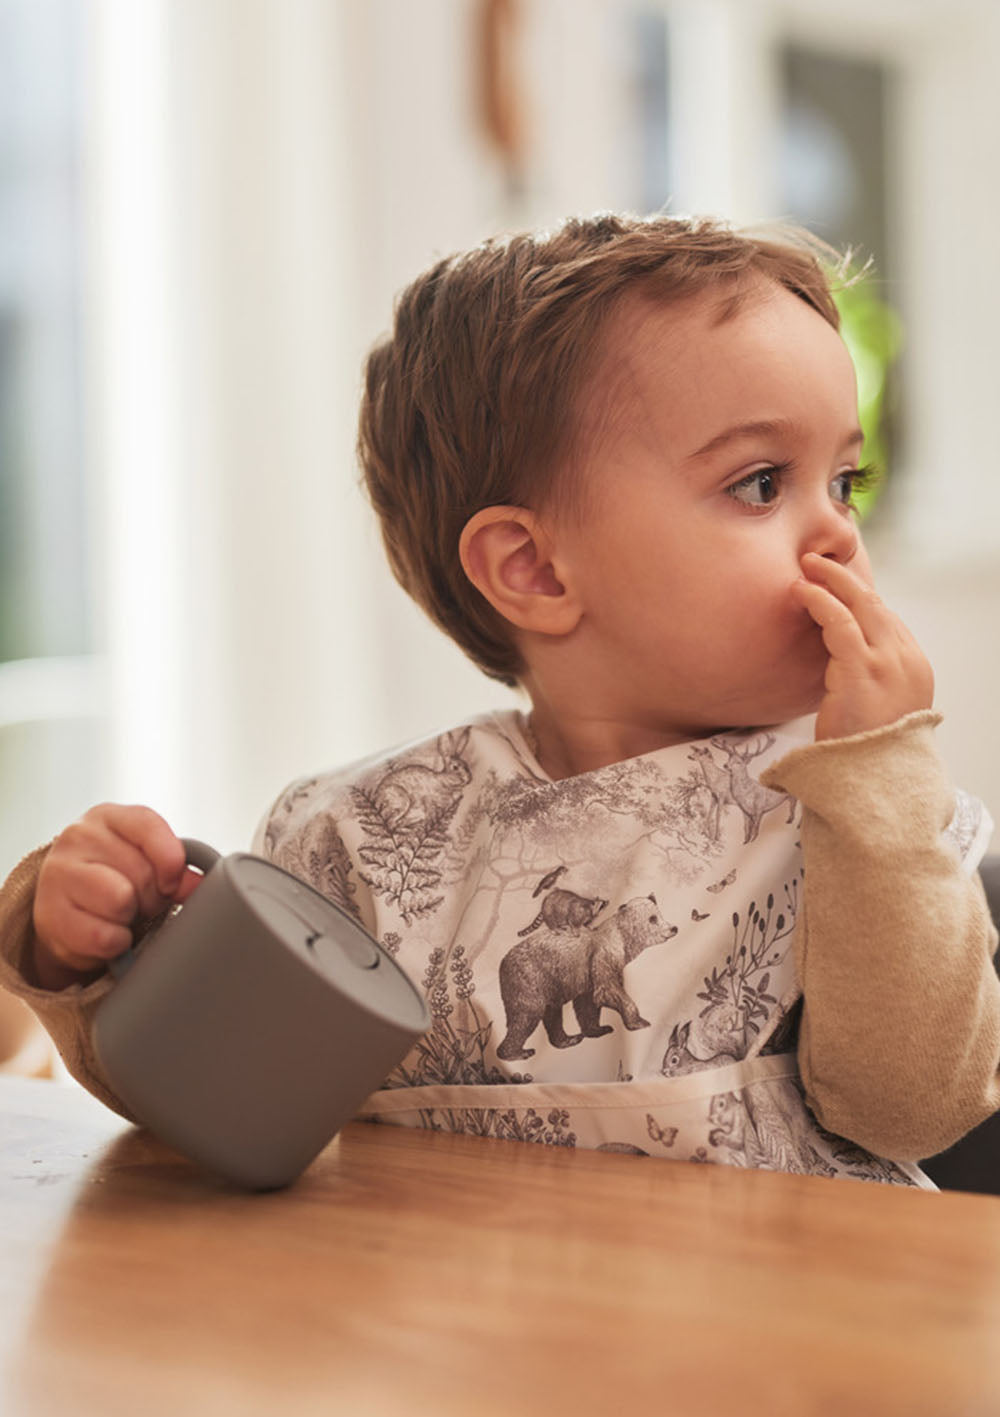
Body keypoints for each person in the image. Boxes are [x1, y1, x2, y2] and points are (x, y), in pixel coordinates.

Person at [2, 214, 999, 1184]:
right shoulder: (361, 839)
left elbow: (911, 1108)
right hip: (457, 1341)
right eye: (759, 483)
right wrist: (84, 956)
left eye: (845, 482)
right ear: (532, 569)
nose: (835, 534)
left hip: (789, 1336)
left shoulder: (865, 816)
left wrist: (880, 778)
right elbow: (219, 1100)